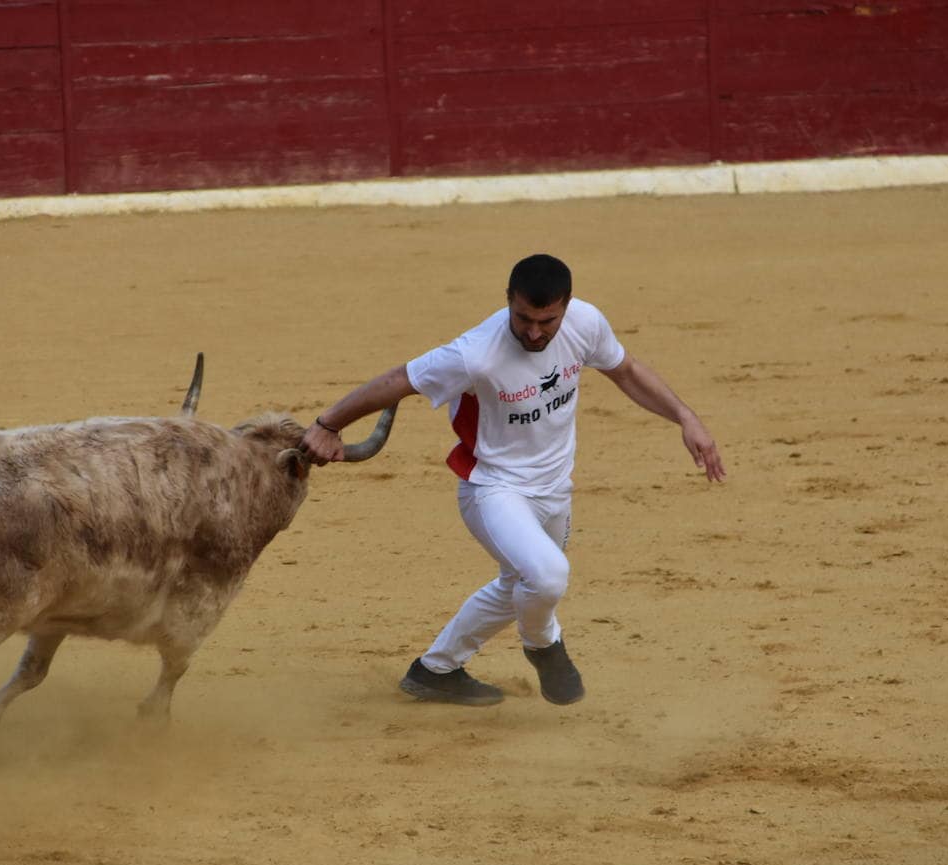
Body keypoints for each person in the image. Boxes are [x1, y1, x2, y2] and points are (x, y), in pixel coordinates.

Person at [300, 254, 726, 707]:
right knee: (546, 576)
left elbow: (626, 371)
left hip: (556, 487)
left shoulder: (586, 323)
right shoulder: (475, 354)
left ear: (567, 306)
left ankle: (435, 671)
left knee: (520, 584)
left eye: (548, 320)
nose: (535, 332)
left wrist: (685, 417)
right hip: (493, 488)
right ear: (508, 301)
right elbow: (397, 380)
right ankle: (544, 645)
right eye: (523, 318)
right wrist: (328, 424)